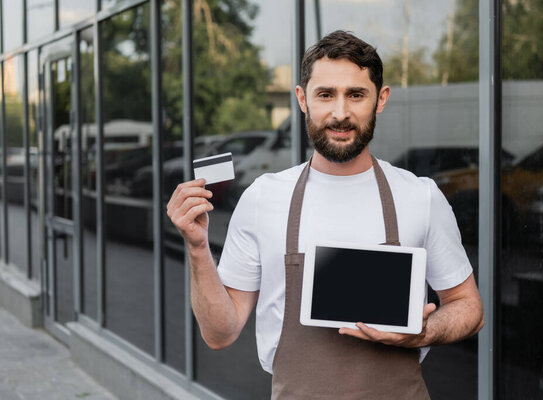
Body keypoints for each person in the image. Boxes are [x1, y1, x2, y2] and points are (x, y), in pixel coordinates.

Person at [167, 30, 484, 399]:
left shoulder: (420, 196)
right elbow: (219, 334)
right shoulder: (263, 198)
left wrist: (424, 331)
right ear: (302, 99)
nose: (340, 113)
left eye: (356, 94)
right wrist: (196, 247)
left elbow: (469, 308)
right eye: (325, 94)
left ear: (380, 100)